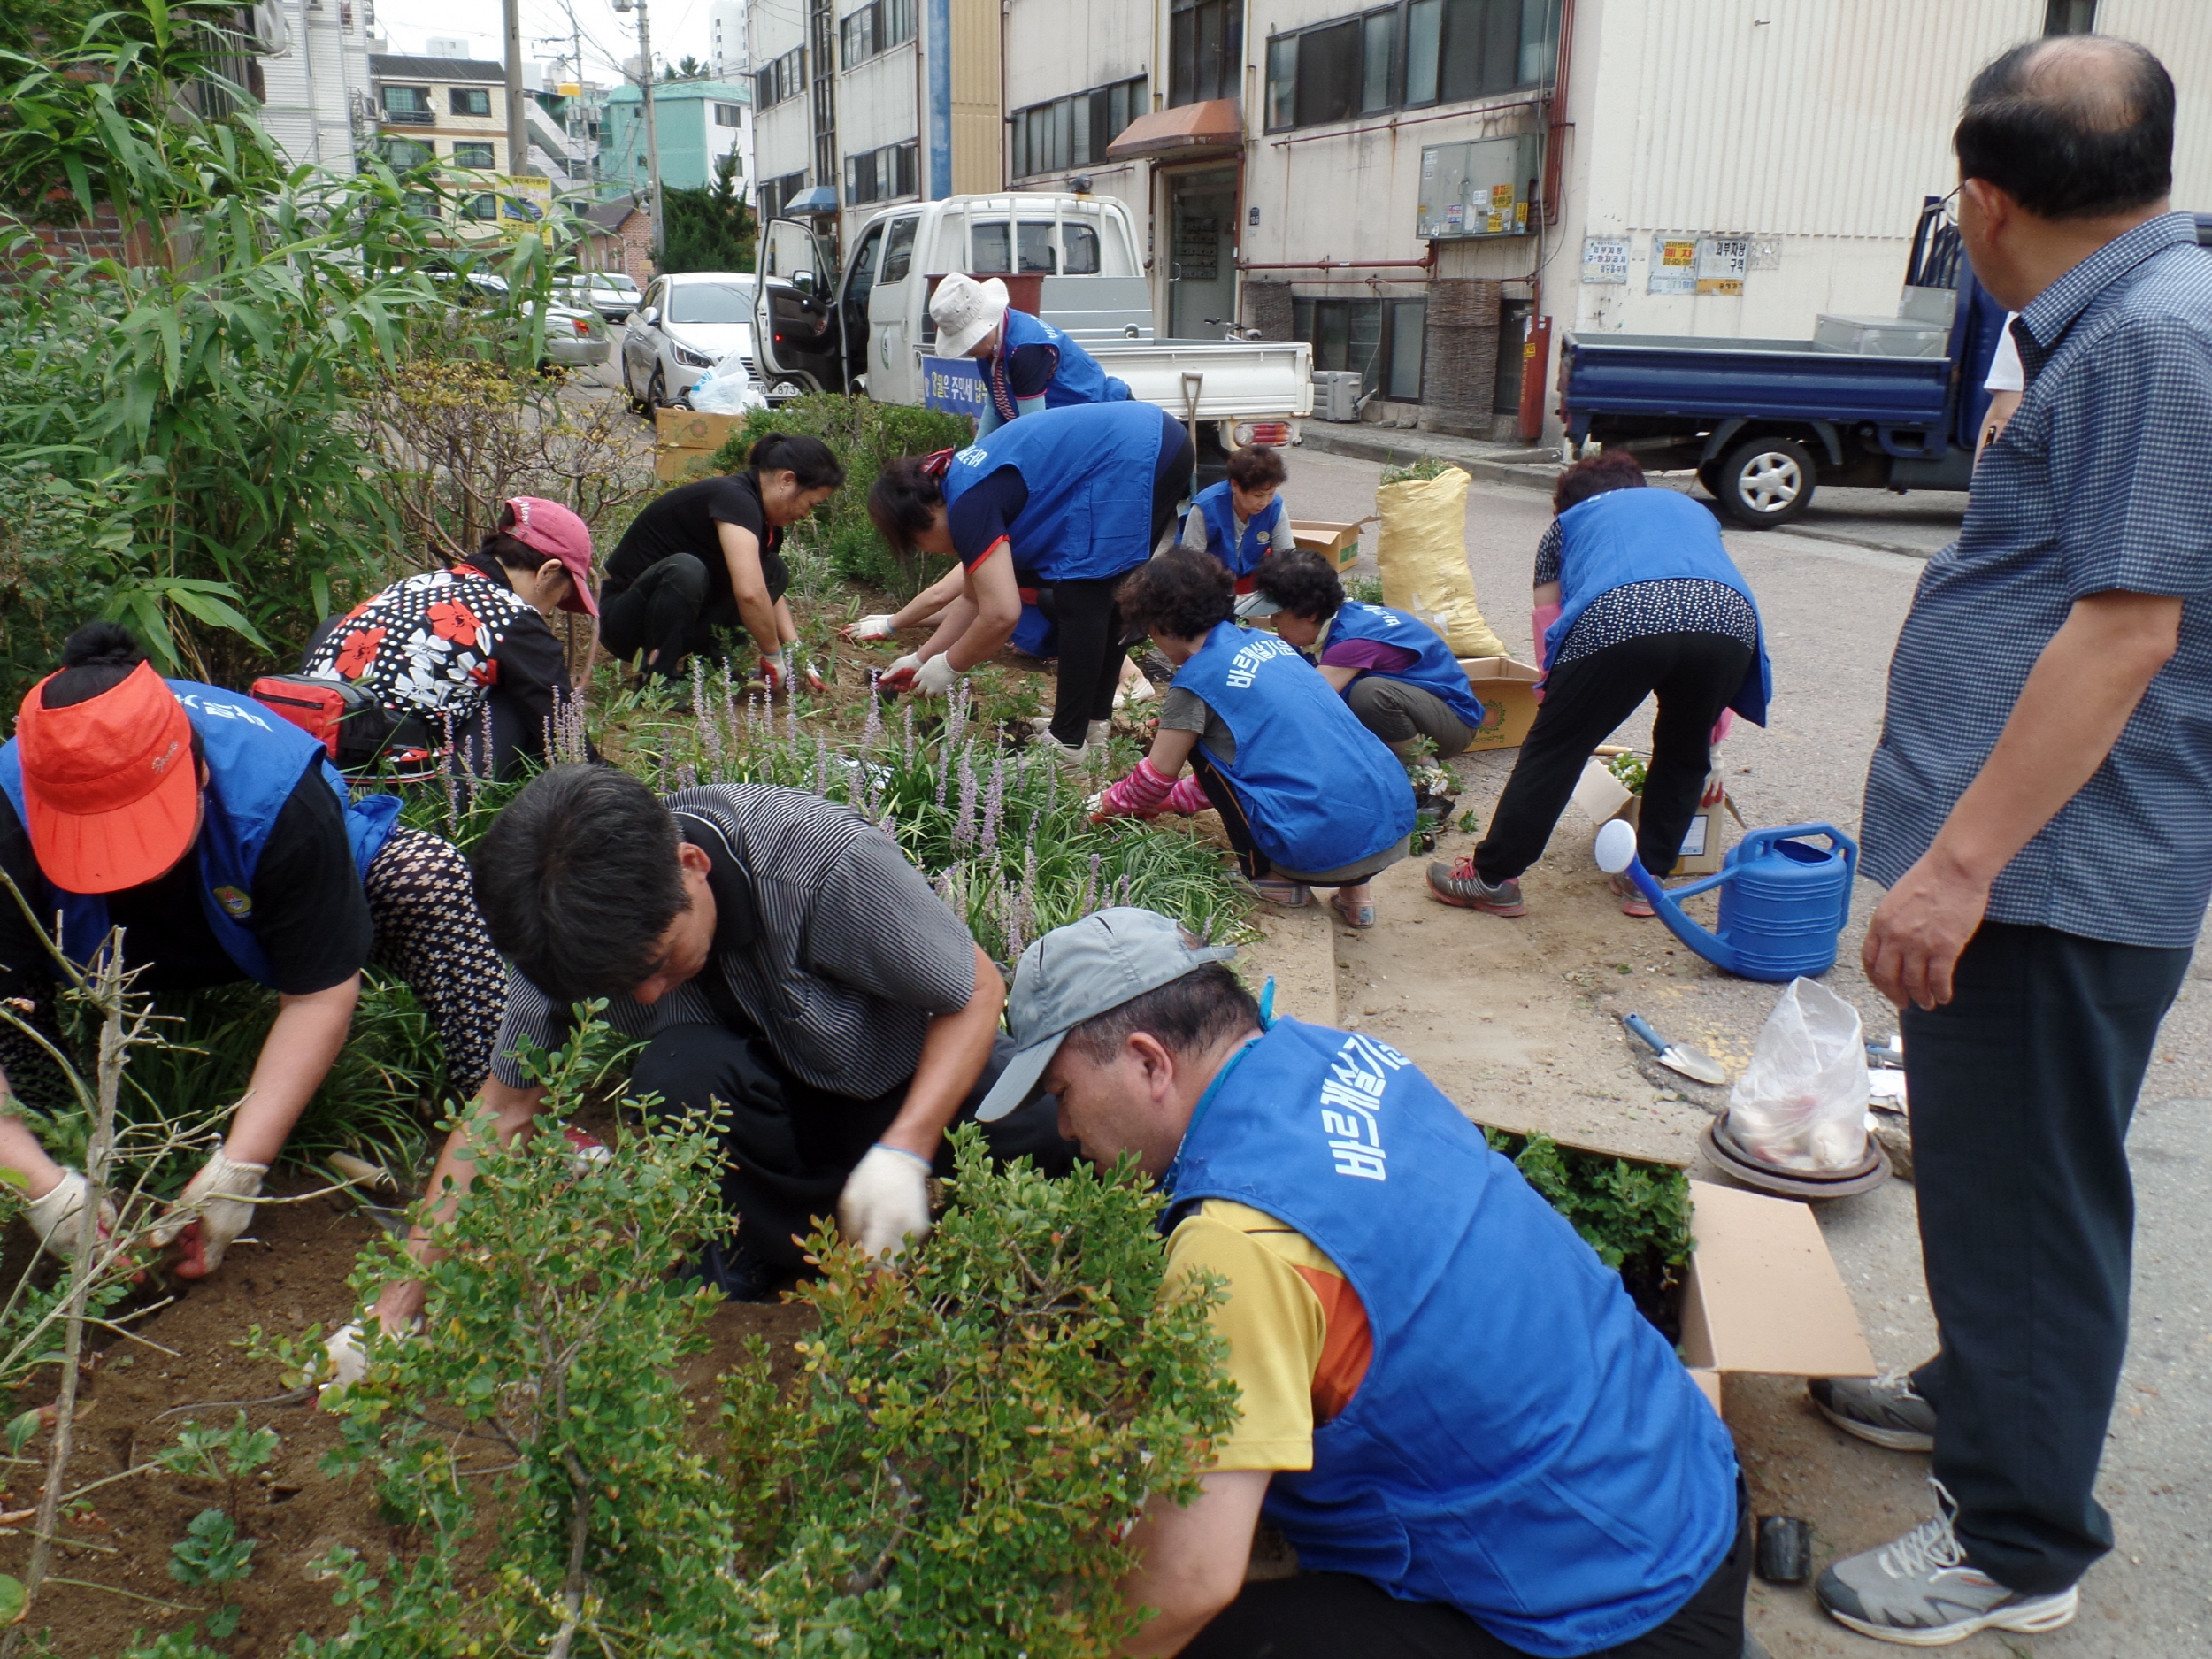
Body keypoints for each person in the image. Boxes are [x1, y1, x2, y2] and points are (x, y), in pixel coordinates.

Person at [1815, 38, 2212, 1648]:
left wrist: (1959, 867)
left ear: (1982, 202)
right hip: (2045, 862)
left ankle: (2021, 1541)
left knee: (2028, 1210)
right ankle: (1984, 1397)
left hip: (2051, 874)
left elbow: (2123, 634)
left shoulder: (2150, 344)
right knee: (1996, 1186)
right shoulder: (2127, 319)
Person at [971, 907, 1751, 1659]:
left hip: (1615, 1613)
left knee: (1179, 1627)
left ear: (1149, 1061)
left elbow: (1189, 1579)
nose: (1065, 1130)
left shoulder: (1238, 1245)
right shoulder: (1334, 1057)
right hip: (1685, 1483)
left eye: (1062, 1094)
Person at [350, 764, 1075, 1348]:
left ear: (691, 864)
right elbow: (502, 1110)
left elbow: (976, 987)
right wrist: (395, 1306)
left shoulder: (822, 862)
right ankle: (775, 1241)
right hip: (763, 1109)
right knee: (674, 1072)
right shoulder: (566, 929)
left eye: (660, 961)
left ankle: (894, 1213)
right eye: (620, 985)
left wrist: (907, 1152)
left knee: (1052, 1126)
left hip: (897, 1081)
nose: (646, 989)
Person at [0, 626, 504, 1275]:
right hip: (89, 940)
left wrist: (238, 1167)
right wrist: (41, 1184)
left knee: (428, 879)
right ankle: (66, 1154)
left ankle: (498, 1119)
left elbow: (319, 993)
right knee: (12, 1020)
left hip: (255, 909)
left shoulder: (278, 791)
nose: (128, 870)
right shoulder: (10, 818)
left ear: (201, 770)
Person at [1427, 452, 1770, 920]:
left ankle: (1492, 880)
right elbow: (1700, 600)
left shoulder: (1567, 526)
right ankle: (1646, 882)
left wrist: (1556, 706)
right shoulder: (1693, 512)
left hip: (1618, 616)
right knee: (1682, 750)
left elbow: (1551, 621)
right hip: (1728, 622)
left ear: (1565, 503)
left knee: (1556, 750)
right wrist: (1713, 744)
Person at [1093, 552, 1412, 929]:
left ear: (1164, 625)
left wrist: (1105, 803)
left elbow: (1154, 780)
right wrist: (1171, 802)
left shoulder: (1196, 682)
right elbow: (1261, 763)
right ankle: (1357, 895)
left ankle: (1275, 880)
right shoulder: (1269, 644)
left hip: (1321, 844)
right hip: (1390, 822)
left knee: (1200, 746)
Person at [867, 401, 1195, 763]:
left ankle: (1066, 745)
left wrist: (949, 666)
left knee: (1081, 591)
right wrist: (920, 658)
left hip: (1138, 449)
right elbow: (973, 601)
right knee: (1113, 594)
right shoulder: (960, 483)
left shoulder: (967, 505)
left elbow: (1000, 615)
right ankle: (1089, 727)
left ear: (923, 517)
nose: (928, 552)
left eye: (917, 545)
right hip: (1157, 440)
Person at [292, 496, 598, 780]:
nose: (549, 611)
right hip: (397, 784)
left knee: (335, 623)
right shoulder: (514, 619)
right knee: (522, 698)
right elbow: (565, 737)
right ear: (548, 571)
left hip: (313, 767)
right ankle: (451, 813)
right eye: (561, 596)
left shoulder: (420, 584)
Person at [597, 434, 845, 685]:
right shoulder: (734, 498)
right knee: (685, 569)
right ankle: (660, 679)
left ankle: (716, 671)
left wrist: (796, 654)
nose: (806, 514)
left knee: (774, 571)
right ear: (787, 480)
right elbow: (750, 594)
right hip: (625, 621)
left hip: (679, 617)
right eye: (811, 503)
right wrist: (773, 655)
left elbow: (764, 590)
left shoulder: (765, 520)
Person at [1250, 549, 1486, 761]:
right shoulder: (1338, 620)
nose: (1272, 623)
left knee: (1368, 693)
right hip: (1421, 708)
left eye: (1278, 616)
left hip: (1453, 724)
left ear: (1309, 613)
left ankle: (1425, 773)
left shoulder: (1354, 640)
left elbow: (1309, 702)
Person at [928, 273, 1132, 438]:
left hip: (1105, 424)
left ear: (982, 331)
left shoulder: (1025, 350)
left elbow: (1034, 430)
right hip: (1064, 429)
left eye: (967, 344)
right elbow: (996, 405)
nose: (966, 351)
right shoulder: (991, 349)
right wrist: (976, 453)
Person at [1180, 444, 1295, 615]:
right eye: (1258, 496)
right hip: (1208, 585)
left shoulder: (1275, 506)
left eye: (1270, 494)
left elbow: (1287, 557)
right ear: (1235, 485)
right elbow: (1189, 566)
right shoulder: (1206, 507)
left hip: (1249, 583)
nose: (1264, 502)